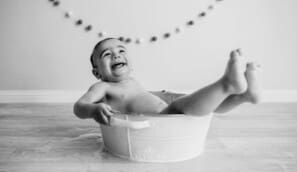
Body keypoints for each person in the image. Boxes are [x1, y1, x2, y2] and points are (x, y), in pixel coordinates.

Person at [73, 38, 261, 125]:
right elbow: (79, 106)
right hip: (157, 122)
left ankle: (243, 96)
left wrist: (162, 95)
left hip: (164, 111)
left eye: (121, 51)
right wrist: (93, 110)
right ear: (96, 72)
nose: (116, 54)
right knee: (182, 106)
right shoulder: (103, 87)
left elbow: (141, 97)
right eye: (107, 54)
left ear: (130, 65)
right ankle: (227, 84)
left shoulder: (132, 81)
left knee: (210, 105)